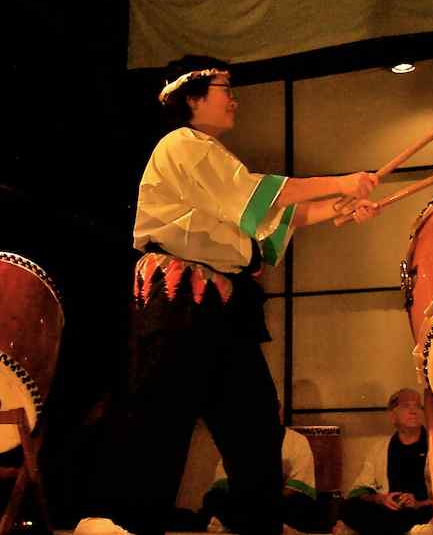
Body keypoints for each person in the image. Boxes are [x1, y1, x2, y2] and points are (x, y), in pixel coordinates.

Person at [74, 56, 381, 535]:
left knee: (255, 429)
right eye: (226, 89)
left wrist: (340, 208)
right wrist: (342, 182)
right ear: (193, 98)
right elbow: (257, 196)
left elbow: (269, 218)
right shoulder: (183, 145)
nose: (234, 100)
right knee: (160, 423)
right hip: (179, 299)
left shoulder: (214, 160)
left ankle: (260, 525)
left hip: (223, 306)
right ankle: (132, 525)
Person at [338, 388, 433, 535]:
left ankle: (389, 529)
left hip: (421, 510)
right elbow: (360, 490)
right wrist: (382, 499)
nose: (413, 411)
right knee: (348, 507)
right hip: (388, 511)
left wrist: (418, 503)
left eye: (417, 406)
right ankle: (412, 530)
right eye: (406, 406)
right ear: (392, 416)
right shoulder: (380, 449)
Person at [203, 426, 332, 533]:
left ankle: (236, 524)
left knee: (304, 505)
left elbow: (296, 489)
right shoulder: (238, 440)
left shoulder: (297, 440)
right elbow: (224, 485)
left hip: (278, 504)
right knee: (213, 498)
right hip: (245, 503)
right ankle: (268, 525)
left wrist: (265, 503)